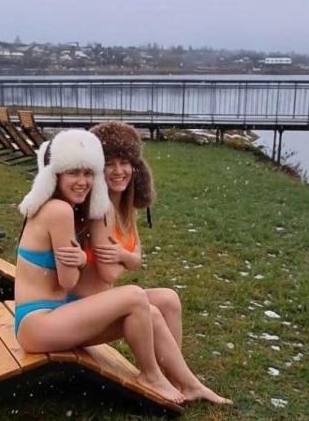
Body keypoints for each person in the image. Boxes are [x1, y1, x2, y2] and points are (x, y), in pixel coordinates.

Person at [15, 127, 190, 405]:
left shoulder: (61, 208)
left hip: (54, 316)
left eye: (88, 173)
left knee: (161, 302)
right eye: (74, 173)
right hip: (37, 324)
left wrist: (85, 258)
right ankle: (152, 376)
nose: (82, 181)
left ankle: (181, 380)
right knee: (134, 296)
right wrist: (84, 260)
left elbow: (86, 269)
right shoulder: (59, 211)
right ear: (56, 175)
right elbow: (69, 281)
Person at [75, 120, 230, 405]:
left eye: (125, 162)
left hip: (105, 301)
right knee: (151, 311)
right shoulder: (100, 208)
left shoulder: (125, 208)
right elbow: (109, 271)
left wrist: (124, 256)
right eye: (109, 164)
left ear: (136, 167)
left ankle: (175, 378)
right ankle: (172, 380)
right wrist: (126, 259)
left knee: (169, 299)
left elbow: (136, 260)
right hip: (81, 311)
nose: (119, 171)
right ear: (97, 168)